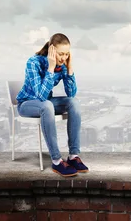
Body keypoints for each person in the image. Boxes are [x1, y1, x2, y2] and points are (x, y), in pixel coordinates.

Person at [16, 33, 89, 177]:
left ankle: (73, 156)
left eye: (67, 54)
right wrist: (50, 68)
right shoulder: (33, 62)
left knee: (74, 102)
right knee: (47, 105)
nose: (63, 58)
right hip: (27, 104)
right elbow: (41, 96)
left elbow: (71, 93)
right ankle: (56, 160)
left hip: (46, 104)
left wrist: (70, 68)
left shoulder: (62, 65)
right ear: (52, 50)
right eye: (61, 54)